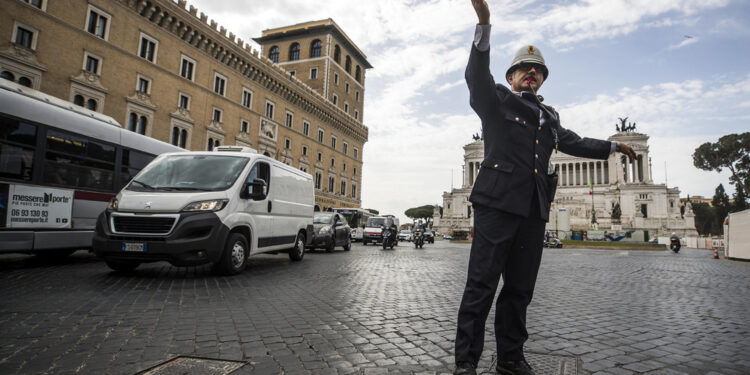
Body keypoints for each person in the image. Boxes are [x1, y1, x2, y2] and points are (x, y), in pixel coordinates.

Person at [454, 2, 638, 375]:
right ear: (511, 76)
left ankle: (510, 357)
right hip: (497, 203)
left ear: (541, 80)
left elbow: (577, 143)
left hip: (533, 208)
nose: (532, 73)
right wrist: (484, 24)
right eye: (524, 68)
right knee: (481, 286)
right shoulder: (497, 101)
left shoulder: (549, 117)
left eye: (537, 71)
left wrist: (615, 145)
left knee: (520, 289)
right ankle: (466, 362)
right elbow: (475, 76)